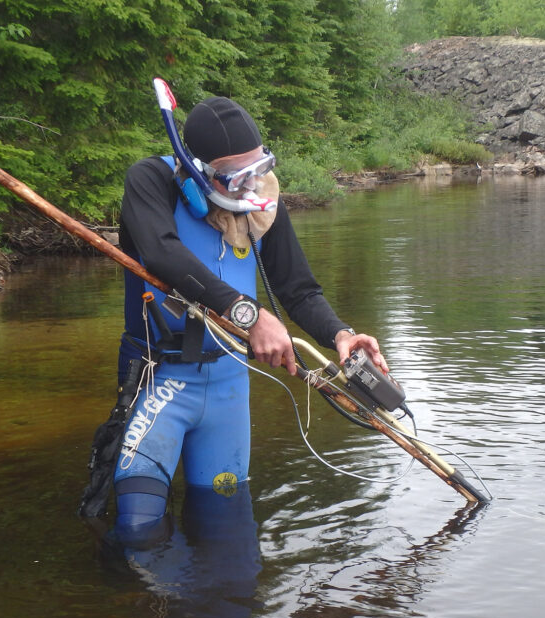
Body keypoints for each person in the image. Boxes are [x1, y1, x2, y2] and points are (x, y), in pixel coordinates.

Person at [107, 93, 387, 545]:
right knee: (138, 534)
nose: (252, 186)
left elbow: (298, 290)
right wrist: (249, 313)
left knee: (228, 539)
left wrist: (341, 333)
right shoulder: (152, 180)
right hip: (158, 380)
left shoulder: (263, 205)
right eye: (237, 177)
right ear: (196, 168)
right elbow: (162, 254)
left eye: (260, 169)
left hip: (227, 386)